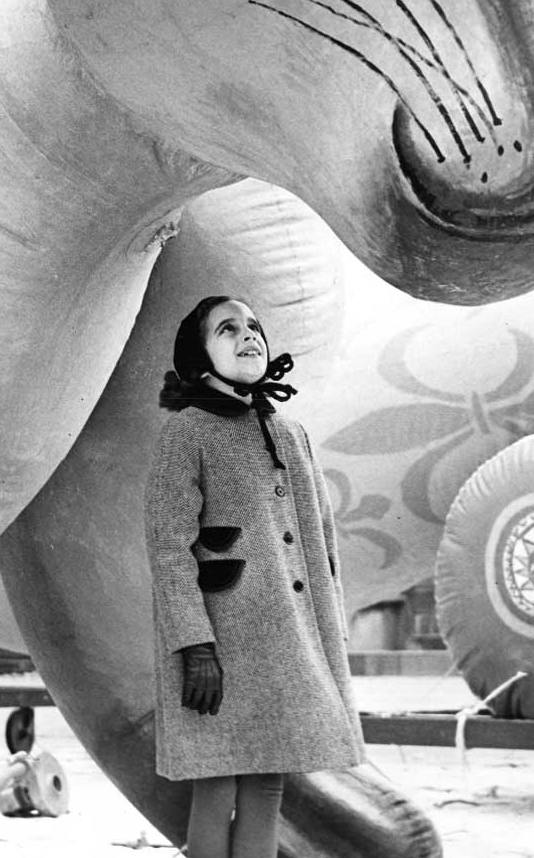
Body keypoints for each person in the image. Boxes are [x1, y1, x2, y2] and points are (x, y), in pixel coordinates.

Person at [144, 296, 363, 858]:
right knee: (217, 781)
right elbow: (169, 546)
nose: (248, 337)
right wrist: (195, 646)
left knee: (268, 782)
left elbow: (321, 538)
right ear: (199, 356)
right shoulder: (185, 432)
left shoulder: (288, 430)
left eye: (254, 327)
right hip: (221, 645)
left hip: (288, 642)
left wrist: (329, 630)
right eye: (228, 329)